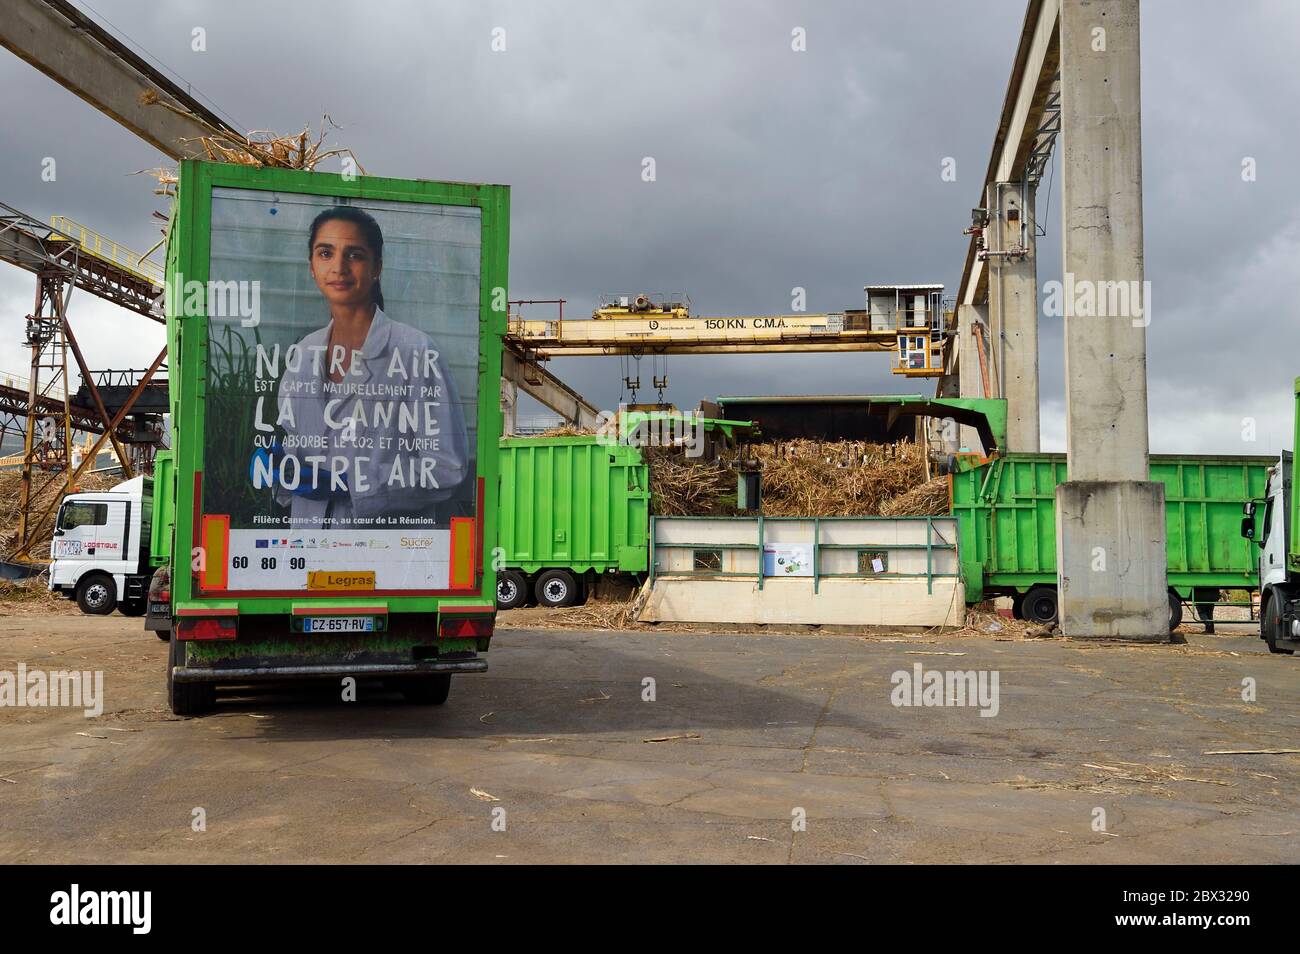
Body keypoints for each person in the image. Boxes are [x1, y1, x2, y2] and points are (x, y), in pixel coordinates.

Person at [268, 206, 469, 529]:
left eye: (355, 255)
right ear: (311, 267)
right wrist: (279, 470)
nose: (338, 267)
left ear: (377, 267)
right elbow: (295, 459)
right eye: (325, 253)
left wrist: (353, 485)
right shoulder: (303, 354)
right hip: (305, 554)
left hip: (385, 556)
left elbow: (447, 468)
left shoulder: (415, 351)